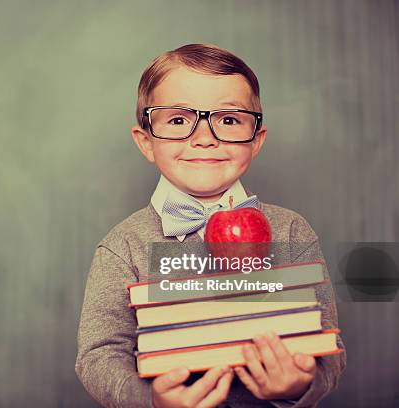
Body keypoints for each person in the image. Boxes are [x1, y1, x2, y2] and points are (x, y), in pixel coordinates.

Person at [75, 44, 346, 408]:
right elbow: (99, 354)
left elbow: (328, 344)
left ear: (257, 140)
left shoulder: (292, 230)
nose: (204, 137)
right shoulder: (124, 245)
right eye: (177, 120)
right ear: (146, 142)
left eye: (229, 120)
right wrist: (150, 400)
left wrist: (298, 385)